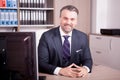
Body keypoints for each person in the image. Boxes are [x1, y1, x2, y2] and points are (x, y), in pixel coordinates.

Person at [38, 5, 93, 78]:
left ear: (76, 21)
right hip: (54, 77)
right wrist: (60, 70)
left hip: (75, 77)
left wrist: (85, 69)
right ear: (60, 18)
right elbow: (41, 63)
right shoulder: (46, 36)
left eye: (72, 19)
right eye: (65, 18)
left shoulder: (83, 37)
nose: (68, 22)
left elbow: (87, 60)